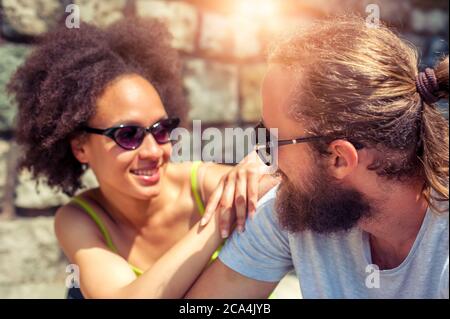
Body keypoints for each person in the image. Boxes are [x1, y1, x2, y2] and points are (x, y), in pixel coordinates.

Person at [8, 18, 276, 298]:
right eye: (128, 135)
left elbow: (285, 188)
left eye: (161, 130)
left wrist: (263, 165)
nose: (153, 151)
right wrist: (219, 221)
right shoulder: (80, 218)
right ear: (80, 148)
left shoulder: (205, 185)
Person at [186, 15, 449, 299]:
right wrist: (223, 215)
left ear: (339, 158)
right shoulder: (296, 207)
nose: (263, 159)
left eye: (271, 140)